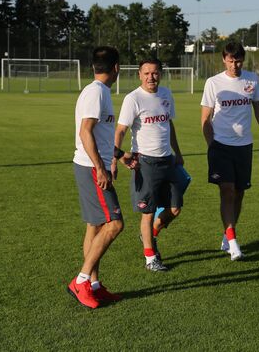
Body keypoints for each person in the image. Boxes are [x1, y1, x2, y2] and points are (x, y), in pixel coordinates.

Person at [201, 42, 259, 261]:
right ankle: (234, 241)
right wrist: (212, 146)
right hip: (220, 146)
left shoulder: (251, 79)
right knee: (227, 190)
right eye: (230, 60)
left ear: (243, 60)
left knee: (239, 193)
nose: (235, 65)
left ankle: (227, 236)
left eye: (238, 60)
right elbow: (205, 119)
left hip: (244, 146)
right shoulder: (214, 83)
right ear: (223, 59)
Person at [68, 46, 136, 309]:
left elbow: (100, 135)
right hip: (90, 167)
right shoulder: (96, 93)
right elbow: (86, 132)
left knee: (94, 226)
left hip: (90, 165)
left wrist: (119, 154)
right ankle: (81, 281)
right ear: (116, 67)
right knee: (115, 224)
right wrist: (99, 168)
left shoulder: (99, 92)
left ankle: (94, 286)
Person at [115, 58, 184, 272]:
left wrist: (178, 152)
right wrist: (115, 158)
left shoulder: (166, 94)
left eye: (154, 73)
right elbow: (120, 130)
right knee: (148, 212)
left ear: (160, 74)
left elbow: (168, 124)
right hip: (145, 162)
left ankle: (150, 234)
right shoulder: (133, 98)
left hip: (168, 160)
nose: (150, 77)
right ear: (139, 75)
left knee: (175, 208)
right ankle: (150, 258)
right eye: (146, 73)